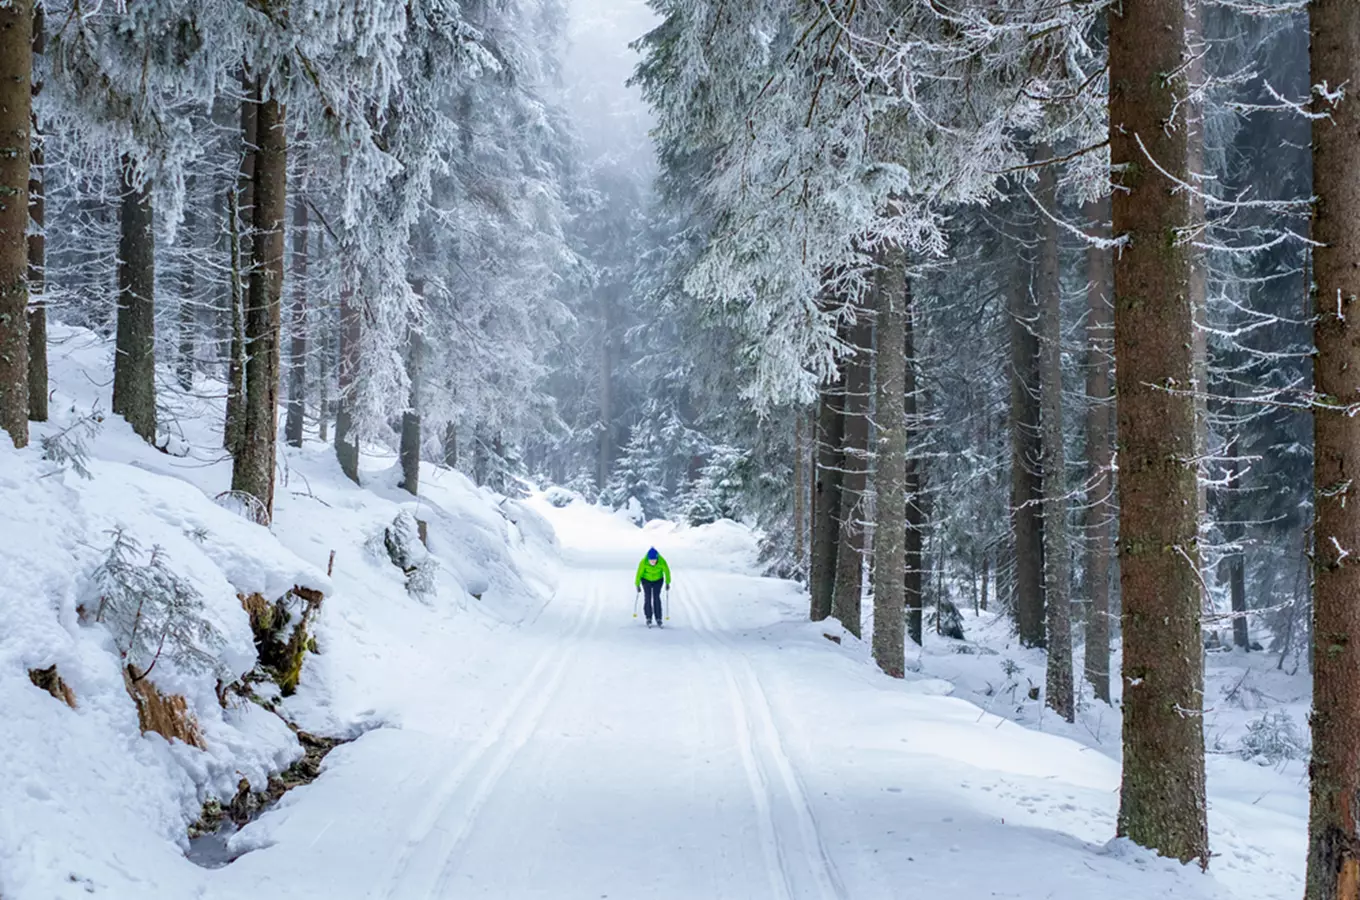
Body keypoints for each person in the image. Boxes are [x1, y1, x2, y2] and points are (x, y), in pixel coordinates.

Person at [635, 547, 671, 627]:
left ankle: (658, 618)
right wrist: (637, 584)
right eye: (651, 560)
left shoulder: (662, 561)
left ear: (657, 558)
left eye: (654, 560)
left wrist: (667, 583)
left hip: (658, 580)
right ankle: (648, 617)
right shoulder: (643, 562)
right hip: (646, 580)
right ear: (648, 559)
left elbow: (667, 571)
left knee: (656, 597)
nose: (653, 562)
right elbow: (639, 573)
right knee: (648, 597)